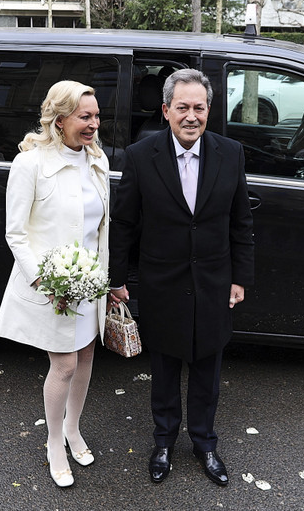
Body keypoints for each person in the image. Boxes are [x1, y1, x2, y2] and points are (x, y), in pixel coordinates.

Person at [110, 68, 254, 487]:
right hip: (162, 283)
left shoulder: (231, 153)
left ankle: (205, 444)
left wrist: (240, 278)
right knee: (166, 369)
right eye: (182, 107)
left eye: (199, 107)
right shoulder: (141, 156)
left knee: (208, 368)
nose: (191, 116)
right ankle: (163, 442)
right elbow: (124, 224)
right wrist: (116, 280)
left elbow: (241, 222)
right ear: (166, 110)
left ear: (209, 109)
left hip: (214, 282)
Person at [0, 80, 110, 488]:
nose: (94, 123)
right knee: (62, 366)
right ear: (60, 120)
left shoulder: (97, 160)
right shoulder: (30, 164)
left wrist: (103, 281)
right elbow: (16, 233)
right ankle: (53, 442)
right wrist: (47, 280)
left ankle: (74, 428)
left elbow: (100, 230)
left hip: (89, 285)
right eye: (85, 116)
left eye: (96, 115)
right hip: (54, 287)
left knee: (86, 358)